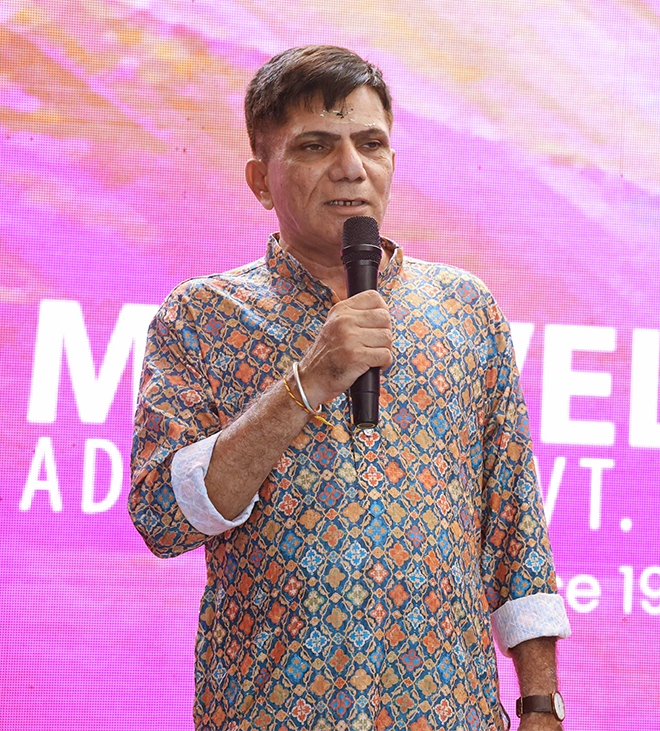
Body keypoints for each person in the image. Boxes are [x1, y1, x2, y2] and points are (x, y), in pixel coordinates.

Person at [129, 45, 571, 731]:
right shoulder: (202, 317)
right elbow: (163, 516)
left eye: (371, 143)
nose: (351, 168)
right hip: (272, 712)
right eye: (315, 146)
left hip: (447, 712)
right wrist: (310, 380)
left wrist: (541, 702)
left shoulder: (464, 309)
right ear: (260, 179)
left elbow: (514, 526)